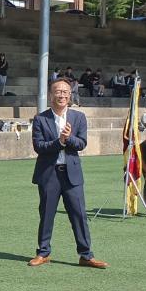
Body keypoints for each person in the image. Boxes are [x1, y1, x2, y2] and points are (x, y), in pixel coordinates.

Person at [28, 78, 108, 269]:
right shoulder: (40, 119)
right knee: (47, 214)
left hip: (72, 175)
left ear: (70, 95)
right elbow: (39, 146)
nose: (62, 95)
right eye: (58, 91)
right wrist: (60, 142)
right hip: (49, 174)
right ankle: (43, 253)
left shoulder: (78, 117)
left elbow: (81, 143)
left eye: (65, 92)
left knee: (79, 214)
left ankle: (86, 255)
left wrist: (69, 138)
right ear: (51, 94)